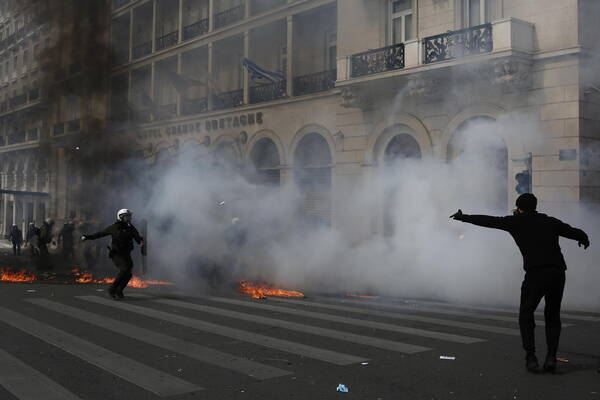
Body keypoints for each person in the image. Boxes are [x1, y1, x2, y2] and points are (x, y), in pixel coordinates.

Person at [450, 193, 590, 373]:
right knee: (552, 316)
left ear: (519, 207)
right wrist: (584, 239)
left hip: (535, 274)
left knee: (526, 314)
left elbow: (489, 221)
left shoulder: (515, 222)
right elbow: (574, 232)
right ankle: (551, 358)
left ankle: (531, 357)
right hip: (557, 273)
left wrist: (463, 217)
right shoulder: (549, 221)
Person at [81, 209, 144, 299]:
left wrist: (141, 241)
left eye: (129, 216)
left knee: (128, 273)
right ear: (121, 217)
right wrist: (87, 237)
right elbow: (101, 234)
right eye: (127, 216)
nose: (129, 218)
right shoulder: (115, 227)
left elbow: (137, 238)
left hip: (126, 254)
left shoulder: (131, 227)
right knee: (124, 269)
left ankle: (119, 290)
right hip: (117, 254)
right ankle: (112, 289)